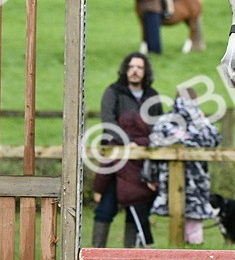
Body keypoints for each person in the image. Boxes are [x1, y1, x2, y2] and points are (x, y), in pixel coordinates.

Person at [91, 53, 163, 247]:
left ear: (145, 71)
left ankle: (129, 256)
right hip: (116, 161)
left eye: (139, 67)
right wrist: (128, 142)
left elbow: (159, 128)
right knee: (105, 209)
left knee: (136, 209)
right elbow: (108, 123)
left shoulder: (152, 96)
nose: (135, 71)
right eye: (131, 66)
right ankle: (97, 255)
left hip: (141, 163)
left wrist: (141, 145)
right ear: (125, 69)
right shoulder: (113, 92)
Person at [147, 87, 221, 245]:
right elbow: (213, 139)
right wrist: (202, 122)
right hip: (197, 183)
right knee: (194, 224)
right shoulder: (199, 123)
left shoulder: (166, 120)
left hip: (169, 181)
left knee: (177, 217)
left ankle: (177, 255)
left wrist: (152, 176)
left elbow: (154, 143)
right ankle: (193, 257)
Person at [92, 110, 157, 247]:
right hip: (145, 190)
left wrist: (98, 190)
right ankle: (130, 249)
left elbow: (104, 170)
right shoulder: (149, 143)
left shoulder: (115, 145)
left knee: (105, 213)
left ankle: (98, 249)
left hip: (128, 190)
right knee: (136, 219)